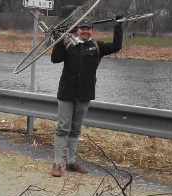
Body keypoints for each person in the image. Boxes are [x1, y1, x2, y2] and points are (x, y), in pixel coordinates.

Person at [50, 16, 123, 177]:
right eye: (82, 29)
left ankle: (71, 163)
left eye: (88, 29)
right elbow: (55, 59)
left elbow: (117, 46)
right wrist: (59, 40)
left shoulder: (98, 46)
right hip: (66, 92)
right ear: (77, 30)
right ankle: (57, 164)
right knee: (62, 127)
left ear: (92, 31)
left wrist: (118, 26)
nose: (85, 31)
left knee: (75, 129)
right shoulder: (68, 44)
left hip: (85, 94)